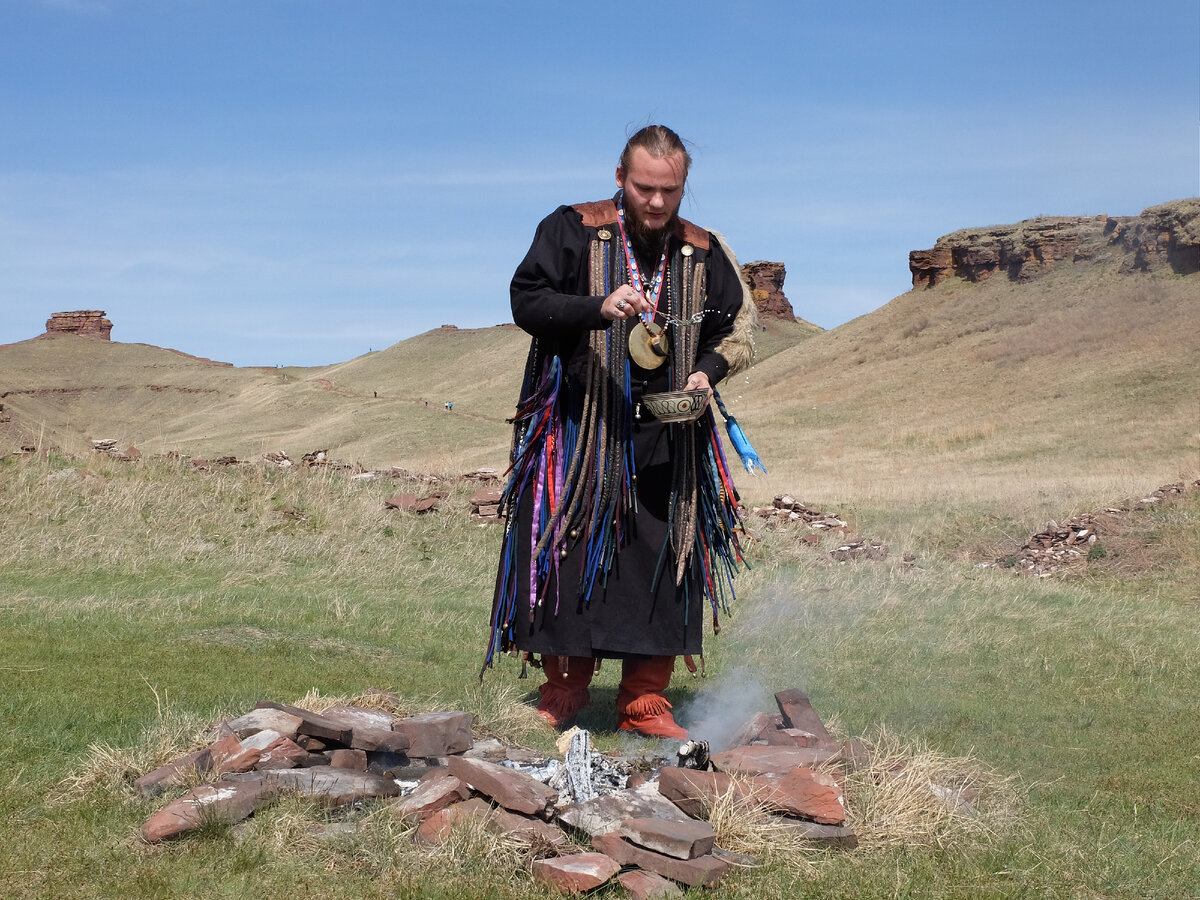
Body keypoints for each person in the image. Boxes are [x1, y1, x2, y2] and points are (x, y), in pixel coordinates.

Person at [484, 126, 755, 739]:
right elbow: (527, 300)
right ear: (619, 178)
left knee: (664, 556)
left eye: (670, 190)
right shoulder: (572, 228)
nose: (657, 203)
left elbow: (730, 330)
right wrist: (596, 308)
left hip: (669, 434)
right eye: (644, 188)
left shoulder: (703, 252)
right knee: (569, 550)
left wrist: (707, 373)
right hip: (581, 426)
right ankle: (565, 690)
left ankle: (643, 700)